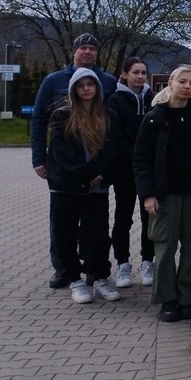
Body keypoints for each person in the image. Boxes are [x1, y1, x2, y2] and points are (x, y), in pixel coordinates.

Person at [134, 65, 191, 322]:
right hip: (166, 195)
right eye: (182, 81)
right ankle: (167, 299)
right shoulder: (155, 118)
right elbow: (141, 160)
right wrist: (148, 194)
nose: (187, 86)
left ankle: (187, 298)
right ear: (170, 83)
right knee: (165, 248)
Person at [31, 32, 118, 289]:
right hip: (65, 168)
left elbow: (114, 125)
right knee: (62, 223)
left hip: (97, 168)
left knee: (95, 225)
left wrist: (104, 169)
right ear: (74, 52)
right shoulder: (53, 81)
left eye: (93, 48)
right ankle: (63, 269)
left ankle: (93, 269)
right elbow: (39, 120)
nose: (88, 52)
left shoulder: (109, 82)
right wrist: (38, 158)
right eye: (83, 48)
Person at [47, 68, 120, 305]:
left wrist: (100, 174)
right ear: (74, 90)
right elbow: (61, 153)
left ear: (97, 88)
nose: (86, 89)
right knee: (65, 233)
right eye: (81, 85)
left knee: (98, 235)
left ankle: (99, 277)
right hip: (66, 185)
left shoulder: (108, 115)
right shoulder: (62, 115)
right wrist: (87, 174)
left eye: (91, 84)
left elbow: (111, 150)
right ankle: (74, 280)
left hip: (96, 188)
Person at [107, 56, 154, 288]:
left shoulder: (153, 99)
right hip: (124, 170)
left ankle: (148, 262)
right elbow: (114, 137)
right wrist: (135, 154)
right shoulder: (114, 100)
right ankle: (123, 265)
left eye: (143, 72)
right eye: (136, 72)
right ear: (125, 74)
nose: (140, 77)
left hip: (149, 170)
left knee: (150, 218)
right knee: (123, 218)